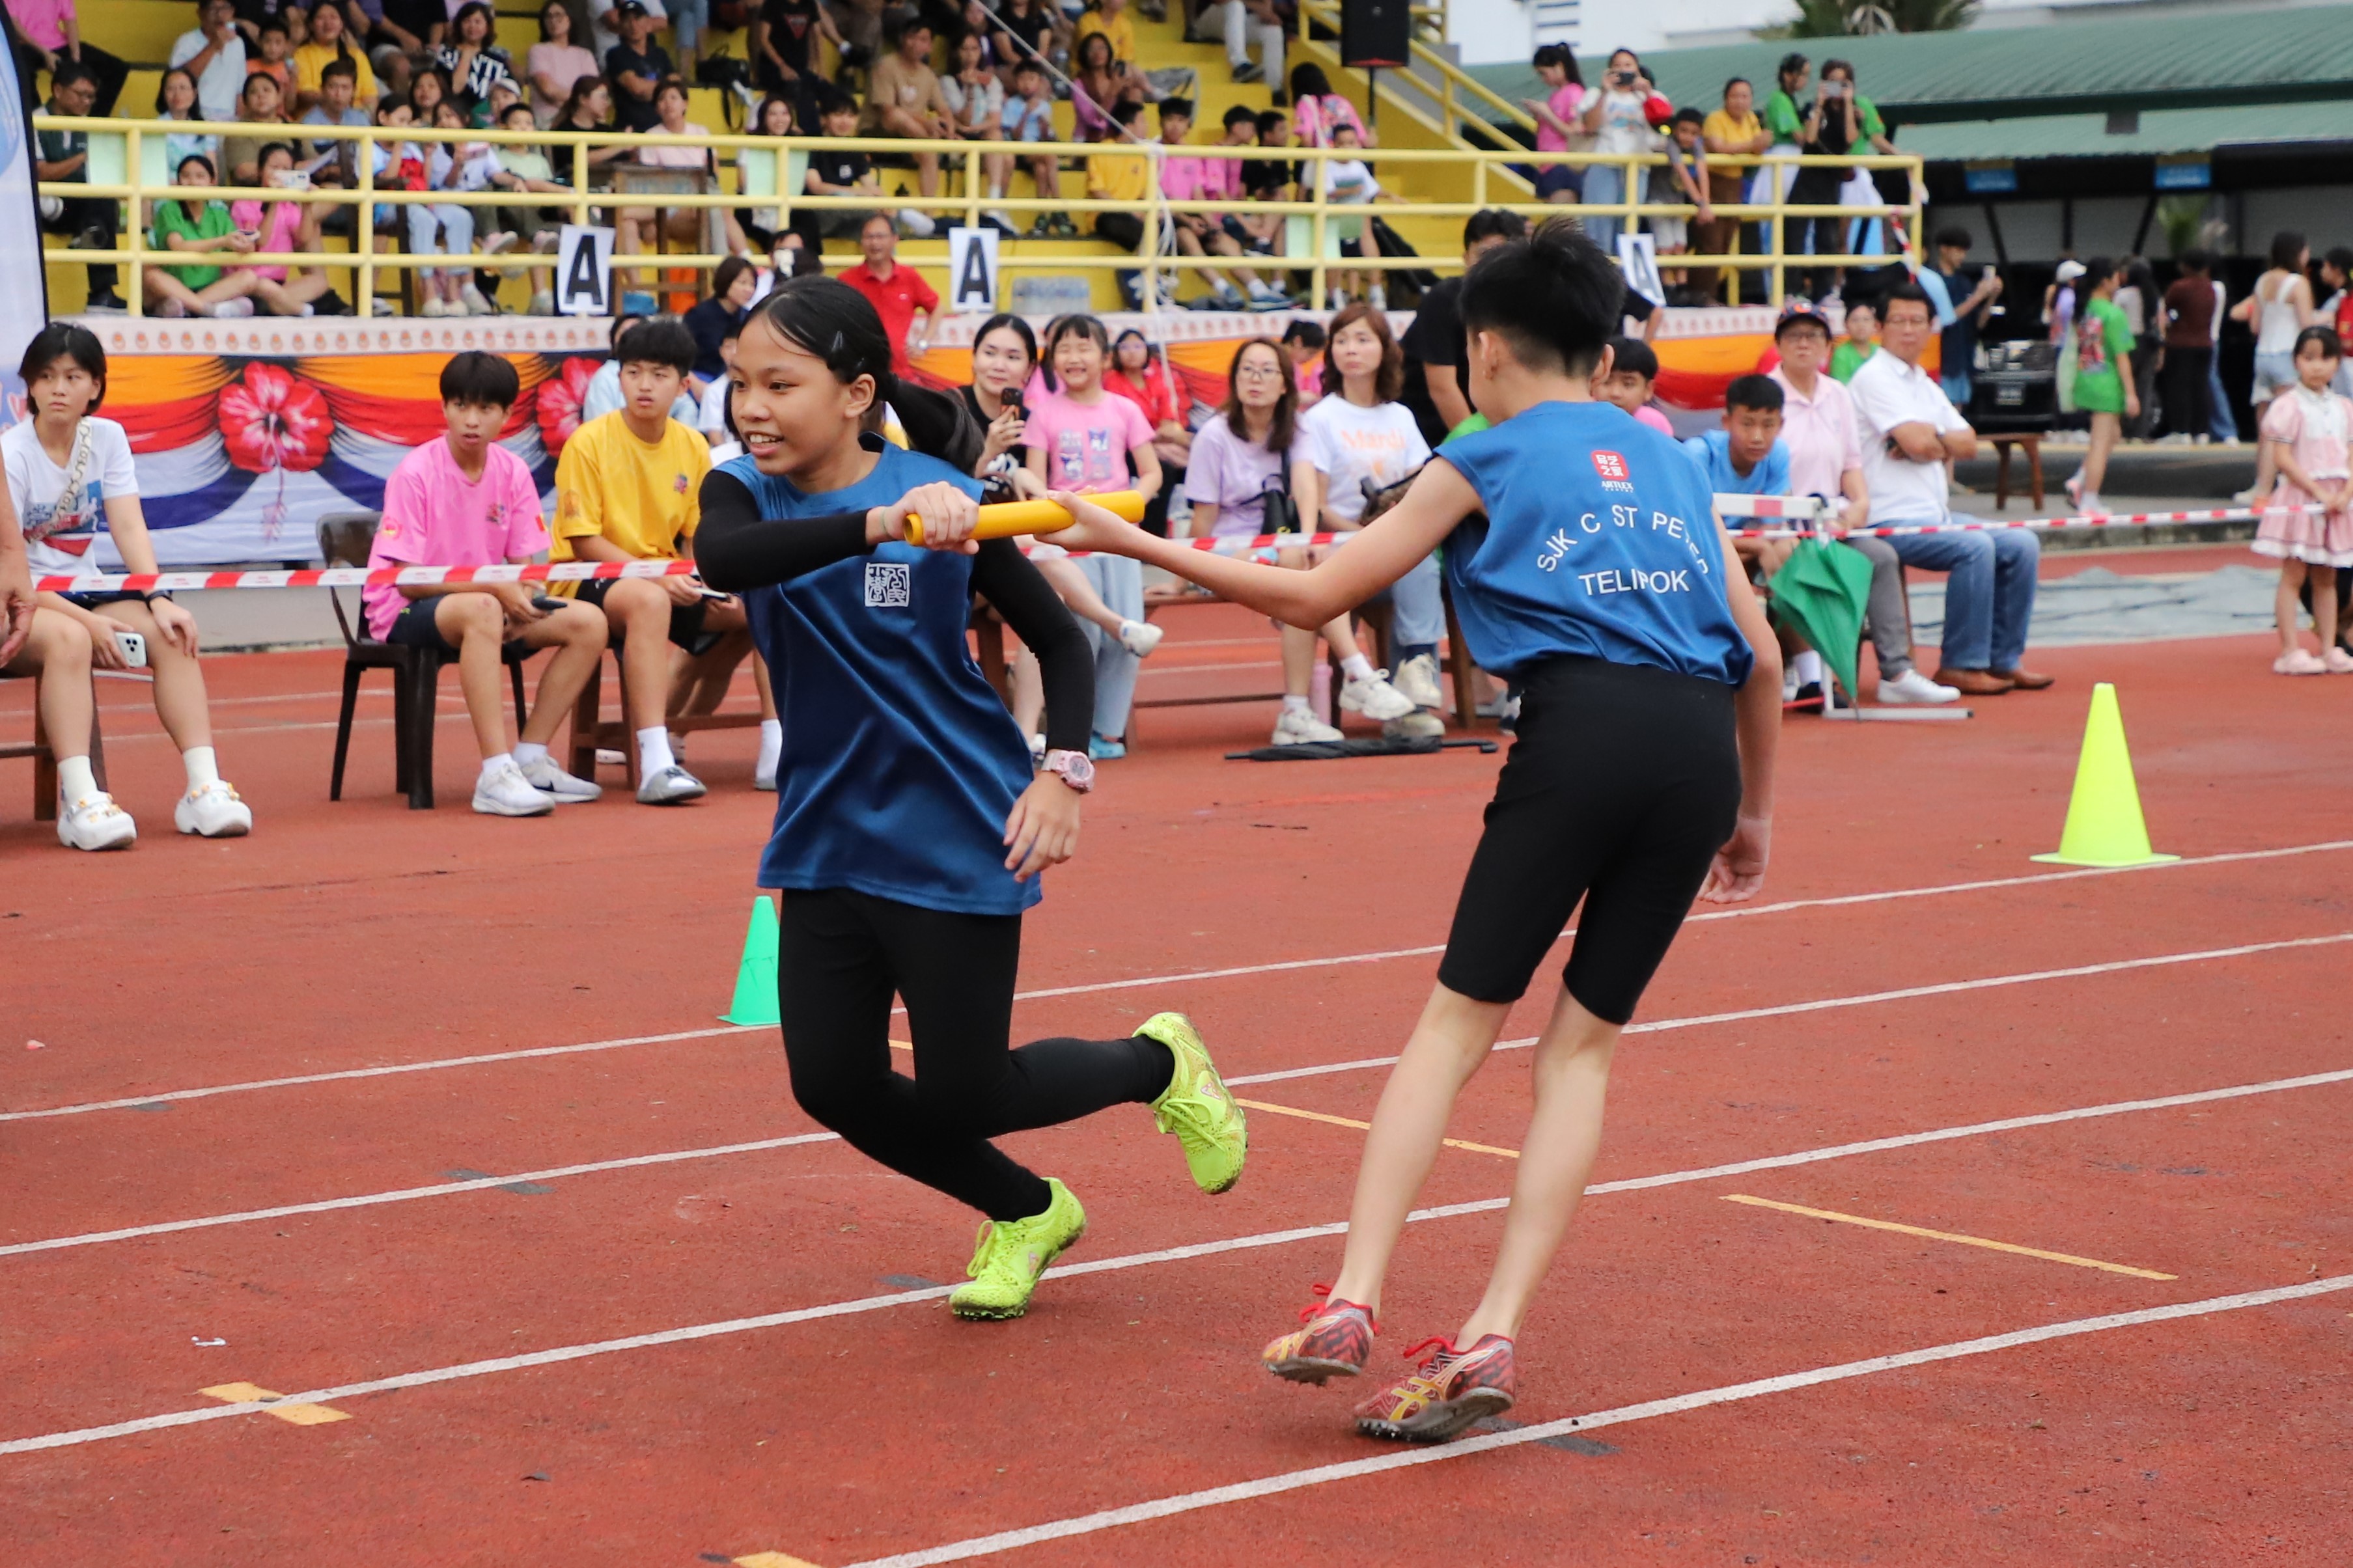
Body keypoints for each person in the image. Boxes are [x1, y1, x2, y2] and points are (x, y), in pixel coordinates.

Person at [1046, 217, 1781, 1442]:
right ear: (1604, 355)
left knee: (1453, 1027)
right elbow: (1754, 656)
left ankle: (1350, 1299)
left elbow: (1316, 595)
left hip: (1578, 732)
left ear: (1483, 347)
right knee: (1580, 1053)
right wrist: (1749, 813)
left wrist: (1124, 536)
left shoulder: (1480, 454)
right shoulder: (1672, 462)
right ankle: (1493, 1327)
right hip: (1698, 751)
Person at [686, 276, 1247, 1323]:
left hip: (955, 822)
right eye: (739, 384)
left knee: (968, 1092)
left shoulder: (945, 495)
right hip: (823, 829)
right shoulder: (742, 494)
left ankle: (1158, 1061)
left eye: (779, 385)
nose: (751, 408)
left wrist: (1065, 771)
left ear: (856, 393)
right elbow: (722, 559)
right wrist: (877, 525)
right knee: (832, 1083)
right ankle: (1028, 1210)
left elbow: (1061, 645)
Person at [3, 323, 254, 848]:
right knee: (70, 640)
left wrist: (159, 597)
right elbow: (13, 572)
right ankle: (81, 801)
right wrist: (87, 623)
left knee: (173, 633)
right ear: (29, 385)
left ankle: (204, 789)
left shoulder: (108, 438)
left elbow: (129, 526)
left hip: (86, 590)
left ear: (96, 385)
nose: (58, 389)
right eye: (46, 377)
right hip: (23, 600)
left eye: (73, 377)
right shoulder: (12, 454)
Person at [364, 350, 610, 815]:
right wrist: (497, 593)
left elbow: (524, 568)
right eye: (460, 406)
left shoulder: (513, 472)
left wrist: (525, 599)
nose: (471, 420)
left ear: (507, 414)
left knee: (589, 622)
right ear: (445, 408)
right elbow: (407, 580)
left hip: (488, 606)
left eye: (485, 408)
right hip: (407, 608)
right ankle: (495, 774)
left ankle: (530, 757)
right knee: (484, 609)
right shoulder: (415, 472)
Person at [552, 316, 775, 800]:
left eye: (658, 374)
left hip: (667, 577)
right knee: (649, 602)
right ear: (619, 379)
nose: (645, 385)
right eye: (633, 373)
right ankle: (656, 761)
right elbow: (584, 541)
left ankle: (777, 747)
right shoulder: (589, 442)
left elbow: (696, 535)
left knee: (760, 600)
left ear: (682, 385)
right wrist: (655, 578)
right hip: (592, 577)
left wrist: (706, 580)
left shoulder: (691, 444)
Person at [1850, 282, 2050, 697]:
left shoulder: (1922, 382)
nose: (1909, 330)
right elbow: (1921, 443)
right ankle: (1961, 663)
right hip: (1889, 518)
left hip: (1935, 516)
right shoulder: (1874, 378)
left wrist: (1928, 440)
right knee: (1974, 546)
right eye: (1899, 321)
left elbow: (1969, 444)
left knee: (2022, 543)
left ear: (1931, 328)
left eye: (1918, 321)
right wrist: (1929, 442)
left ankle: (2004, 659)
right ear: (1881, 328)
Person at [1767, 301, 1955, 706]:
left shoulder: (1838, 394)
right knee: (1798, 562)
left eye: (1814, 336)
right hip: (1784, 527)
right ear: (1779, 345)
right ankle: (1804, 671)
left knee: (1880, 556)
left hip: (1833, 523)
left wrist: (1859, 507)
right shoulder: (1769, 395)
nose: (1804, 344)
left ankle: (1897, 673)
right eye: (1794, 336)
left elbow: (1852, 464)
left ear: (1827, 346)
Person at [1024, 314, 1163, 758]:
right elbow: (1036, 478)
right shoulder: (1044, 413)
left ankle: (1108, 732)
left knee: (1128, 632)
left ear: (1105, 358)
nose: (1073, 357)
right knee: (1084, 632)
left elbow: (1152, 472)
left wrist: (1129, 507)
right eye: (1063, 348)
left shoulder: (1125, 409)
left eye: (1084, 347)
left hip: (1120, 537)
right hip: (1069, 539)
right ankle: (1078, 730)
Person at [1300, 305, 1442, 736]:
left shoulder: (1400, 416)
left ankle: (1415, 678)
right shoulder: (1320, 418)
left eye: (1363, 340)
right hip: (1345, 545)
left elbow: (1420, 485)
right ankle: (1411, 692)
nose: (1351, 349)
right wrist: (1367, 532)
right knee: (1411, 557)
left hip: (1397, 540)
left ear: (1384, 349)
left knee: (1419, 558)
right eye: (1342, 340)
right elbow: (1319, 505)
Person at [2253, 325, 2353, 674]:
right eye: (2309, 358)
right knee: (2294, 576)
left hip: (2336, 502)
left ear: (2337, 362)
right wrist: (2319, 492)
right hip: (2303, 498)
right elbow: (2282, 458)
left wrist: (2345, 492)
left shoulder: (2344, 408)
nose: (2317, 366)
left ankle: (2328, 648)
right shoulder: (2288, 406)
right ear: (2296, 361)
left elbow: (2350, 455)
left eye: (2326, 358)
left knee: (2327, 578)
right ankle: (2289, 650)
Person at [1399, 210, 1527, 447]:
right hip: (1432, 434)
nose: (1492, 264)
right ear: (1466, 258)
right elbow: (1442, 388)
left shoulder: (1529, 305)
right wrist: (1479, 448)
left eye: (1503, 255)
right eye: (1484, 254)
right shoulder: (1443, 300)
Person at [1158, 97, 1285, 312]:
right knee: (1187, 237)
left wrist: (1210, 222)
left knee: (1227, 243)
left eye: (1181, 120)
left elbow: (1198, 194)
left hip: (1193, 215)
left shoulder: (1192, 154)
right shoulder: (1154, 153)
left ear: (1188, 124)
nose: (1175, 126)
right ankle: (1225, 290)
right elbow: (1161, 197)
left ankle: (1259, 292)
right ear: (1161, 121)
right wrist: (1188, 221)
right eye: (1170, 119)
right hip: (1169, 217)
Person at [2233, 232, 2317, 506]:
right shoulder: (2298, 283)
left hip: (2263, 356)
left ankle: (2261, 486)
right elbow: (2307, 325)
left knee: (2266, 429)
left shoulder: (2262, 281)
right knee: (2288, 428)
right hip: (2287, 356)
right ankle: (2280, 487)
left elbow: (2255, 326)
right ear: (2297, 252)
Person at [33, 64, 124, 313]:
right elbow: (40, 172)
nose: (86, 102)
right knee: (96, 211)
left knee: (104, 198)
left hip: (81, 205)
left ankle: (101, 293)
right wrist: (84, 157)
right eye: (80, 94)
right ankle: (100, 290)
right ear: (58, 90)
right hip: (45, 206)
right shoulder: (35, 121)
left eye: (91, 96)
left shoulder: (89, 124)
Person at [2064, 258, 2137, 518]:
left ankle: (2080, 480)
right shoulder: (2113, 314)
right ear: (2106, 281)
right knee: (2101, 442)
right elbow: (2122, 358)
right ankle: (2090, 499)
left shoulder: (2084, 310)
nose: (2119, 281)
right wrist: (2131, 394)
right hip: (2107, 383)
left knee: (2112, 435)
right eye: (2116, 277)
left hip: (2086, 378)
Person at [865, 15, 954, 211]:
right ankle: (933, 145)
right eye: (912, 37)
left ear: (930, 46)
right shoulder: (886, 65)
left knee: (929, 150)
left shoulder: (928, 74)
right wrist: (927, 125)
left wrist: (949, 131)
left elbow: (944, 109)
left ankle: (928, 215)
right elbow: (887, 110)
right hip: (880, 135)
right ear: (902, 39)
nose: (916, 44)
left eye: (923, 40)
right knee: (898, 116)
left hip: (912, 138)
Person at [1106, 329, 1190, 536]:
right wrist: (1153, 438)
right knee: (1165, 469)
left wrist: (1158, 437)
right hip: (1124, 448)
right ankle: (1152, 533)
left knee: (1190, 460)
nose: (1132, 352)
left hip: (1156, 442)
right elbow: (1119, 427)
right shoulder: (1112, 381)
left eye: (1138, 346)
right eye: (1125, 347)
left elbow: (1168, 423)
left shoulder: (1156, 380)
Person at [837, 212, 940, 374]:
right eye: (869, 237)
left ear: (895, 239)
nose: (874, 243)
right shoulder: (846, 280)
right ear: (861, 241)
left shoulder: (909, 276)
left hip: (900, 373)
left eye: (880, 236)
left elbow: (937, 308)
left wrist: (923, 344)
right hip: (859, 371)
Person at [1699, 77, 1770, 303]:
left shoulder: (1751, 119)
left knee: (1727, 242)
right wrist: (1751, 145)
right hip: (1714, 182)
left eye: (1745, 96)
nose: (1740, 101)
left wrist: (1760, 144)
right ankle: (1704, 296)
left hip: (1737, 183)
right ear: (1726, 99)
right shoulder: (1715, 119)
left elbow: (1759, 147)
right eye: (1735, 96)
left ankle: (1715, 294)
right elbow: (1719, 147)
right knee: (1711, 242)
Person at [1086, 100, 1156, 309]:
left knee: (1166, 231)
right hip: (1105, 214)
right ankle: (1137, 280)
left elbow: (1145, 194)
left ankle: (1152, 285)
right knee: (1131, 227)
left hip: (1134, 214)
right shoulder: (1101, 151)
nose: (1147, 126)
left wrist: (1143, 211)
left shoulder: (1143, 155)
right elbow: (1098, 191)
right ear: (1128, 126)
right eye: (1142, 121)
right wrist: (1130, 211)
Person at [940, 28, 1011, 228]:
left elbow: (995, 119)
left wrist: (975, 128)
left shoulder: (991, 81)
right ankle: (995, 207)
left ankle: (995, 206)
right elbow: (964, 118)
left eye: (974, 49)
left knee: (1005, 151)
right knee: (1004, 155)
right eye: (965, 49)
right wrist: (970, 89)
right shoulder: (948, 81)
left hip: (981, 134)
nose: (970, 54)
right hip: (958, 137)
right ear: (956, 52)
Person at [8, 0, 130, 117]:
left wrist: (76, 59)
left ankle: (93, 121)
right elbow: (14, 25)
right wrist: (46, 54)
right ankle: (36, 123)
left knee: (117, 69)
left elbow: (70, 20)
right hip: (26, 45)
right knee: (20, 72)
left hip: (59, 44)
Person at [1924, 227, 2000, 411]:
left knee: (1958, 414)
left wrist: (1991, 297)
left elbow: (1979, 323)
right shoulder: (1932, 280)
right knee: (1939, 410)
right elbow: (1945, 318)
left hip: (1963, 359)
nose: (1962, 256)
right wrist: (1977, 297)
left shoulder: (1964, 282)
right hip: (1941, 358)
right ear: (1944, 249)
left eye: (1964, 252)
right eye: (1958, 250)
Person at [803, 92, 887, 239]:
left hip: (848, 215)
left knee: (885, 222)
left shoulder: (854, 148)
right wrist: (857, 192)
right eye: (838, 115)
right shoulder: (811, 144)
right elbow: (816, 187)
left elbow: (870, 185)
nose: (845, 121)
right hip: (818, 213)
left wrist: (885, 202)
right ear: (823, 119)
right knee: (871, 214)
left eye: (850, 116)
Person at [1002, 60, 1070, 238]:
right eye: (1022, 79)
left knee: (1042, 170)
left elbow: (1046, 138)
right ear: (1016, 82)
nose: (1027, 83)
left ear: (1039, 82)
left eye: (1031, 79)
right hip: (1021, 151)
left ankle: (1042, 216)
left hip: (1038, 152)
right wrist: (1026, 114)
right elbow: (1015, 136)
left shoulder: (1044, 106)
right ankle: (1059, 207)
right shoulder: (1012, 104)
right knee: (1051, 157)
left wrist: (1044, 127)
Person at [751, 0, 839, 131]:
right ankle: (810, 136)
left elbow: (816, 35)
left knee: (832, 93)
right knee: (800, 91)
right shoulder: (772, 4)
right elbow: (763, 39)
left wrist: (821, 68)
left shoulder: (809, 4)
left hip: (800, 69)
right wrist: (782, 66)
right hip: (773, 68)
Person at [2161, 249, 2218, 443]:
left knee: (2179, 387)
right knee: (2200, 387)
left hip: (2181, 343)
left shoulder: (2180, 287)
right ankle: (2201, 432)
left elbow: (2167, 309)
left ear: (2186, 266)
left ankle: (2181, 430)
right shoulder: (2210, 288)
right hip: (2205, 343)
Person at [1520, 43, 1585, 206]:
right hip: (1549, 164)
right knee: (1554, 215)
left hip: (1563, 164)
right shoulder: (1556, 95)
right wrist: (1540, 115)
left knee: (1560, 216)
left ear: (1559, 67)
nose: (1543, 79)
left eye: (1544, 73)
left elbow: (1574, 132)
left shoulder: (1574, 93)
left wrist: (1547, 114)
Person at [686, 254, 759, 392]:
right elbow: (678, 356)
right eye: (742, 283)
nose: (749, 289)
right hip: (700, 380)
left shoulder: (749, 317)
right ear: (726, 281)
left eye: (752, 284)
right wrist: (696, 385)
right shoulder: (700, 315)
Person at [172, 0, 250, 122]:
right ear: (200, 13)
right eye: (213, 9)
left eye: (225, 8)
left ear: (232, 12)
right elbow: (180, 80)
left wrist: (241, 122)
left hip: (229, 119)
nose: (220, 15)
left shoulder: (237, 43)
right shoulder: (186, 42)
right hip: (194, 116)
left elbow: (240, 89)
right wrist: (213, 46)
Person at [603, 1, 671, 133]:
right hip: (630, 130)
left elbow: (675, 84)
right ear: (621, 26)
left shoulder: (660, 53)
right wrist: (663, 87)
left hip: (661, 130)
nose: (633, 25)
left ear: (648, 23)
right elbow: (637, 88)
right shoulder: (616, 54)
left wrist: (650, 89)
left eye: (637, 18)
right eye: (627, 20)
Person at [525, 0, 596, 124]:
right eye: (549, 16)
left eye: (559, 15)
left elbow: (593, 91)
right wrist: (581, 99)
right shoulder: (538, 50)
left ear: (570, 19)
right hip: (549, 120)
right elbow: (548, 89)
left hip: (581, 119)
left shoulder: (585, 55)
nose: (553, 21)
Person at [1594, 335, 1673, 436]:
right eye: (1606, 381)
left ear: (1648, 389)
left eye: (1628, 384)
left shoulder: (1654, 424)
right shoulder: (1582, 420)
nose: (1615, 393)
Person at [434, 2, 510, 104]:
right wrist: (466, 56)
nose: (472, 26)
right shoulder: (445, 55)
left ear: (487, 27)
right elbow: (455, 89)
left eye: (478, 22)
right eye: (467, 21)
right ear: (459, 25)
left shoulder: (499, 60)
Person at [1831, 297, 1877, 382]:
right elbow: (1841, 386)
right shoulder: (1841, 354)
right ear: (1846, 325)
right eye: (1855, 320)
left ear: (1875, 324)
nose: (1861, 325)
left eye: (1866, 320)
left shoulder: (1879, 351)